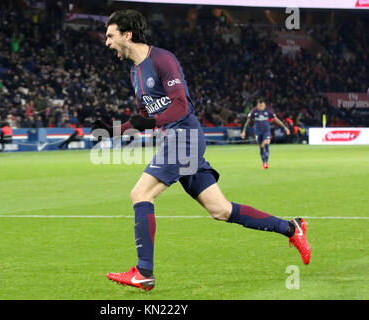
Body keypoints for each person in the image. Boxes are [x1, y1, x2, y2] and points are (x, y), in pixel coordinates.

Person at [92, 10, 310, 292]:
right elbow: (145, 116)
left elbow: (181, 106)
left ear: (127, 35)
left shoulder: (162, 59)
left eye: (110, 35)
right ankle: (292, 228)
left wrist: (150, 121)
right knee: (221, 210)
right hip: (177, 140)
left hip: (185, 137)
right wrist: (113, 131)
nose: (107, 42)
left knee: (140, 194)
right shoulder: (135, 72)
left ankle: (144, 271)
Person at [240, 98, 290, 169]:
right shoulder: (254, 111)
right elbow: (248, 121)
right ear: (257, 105)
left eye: (262, 105)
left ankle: (266, 163)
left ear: (264, 105)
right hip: (258, 131)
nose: (260, 107)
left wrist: (285, 127)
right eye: (259, 105)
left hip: (266, 131)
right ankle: (264, 162)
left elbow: (276, 120)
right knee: (261, 147)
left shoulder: (269, 110)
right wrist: (244, 131)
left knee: (266, 144)